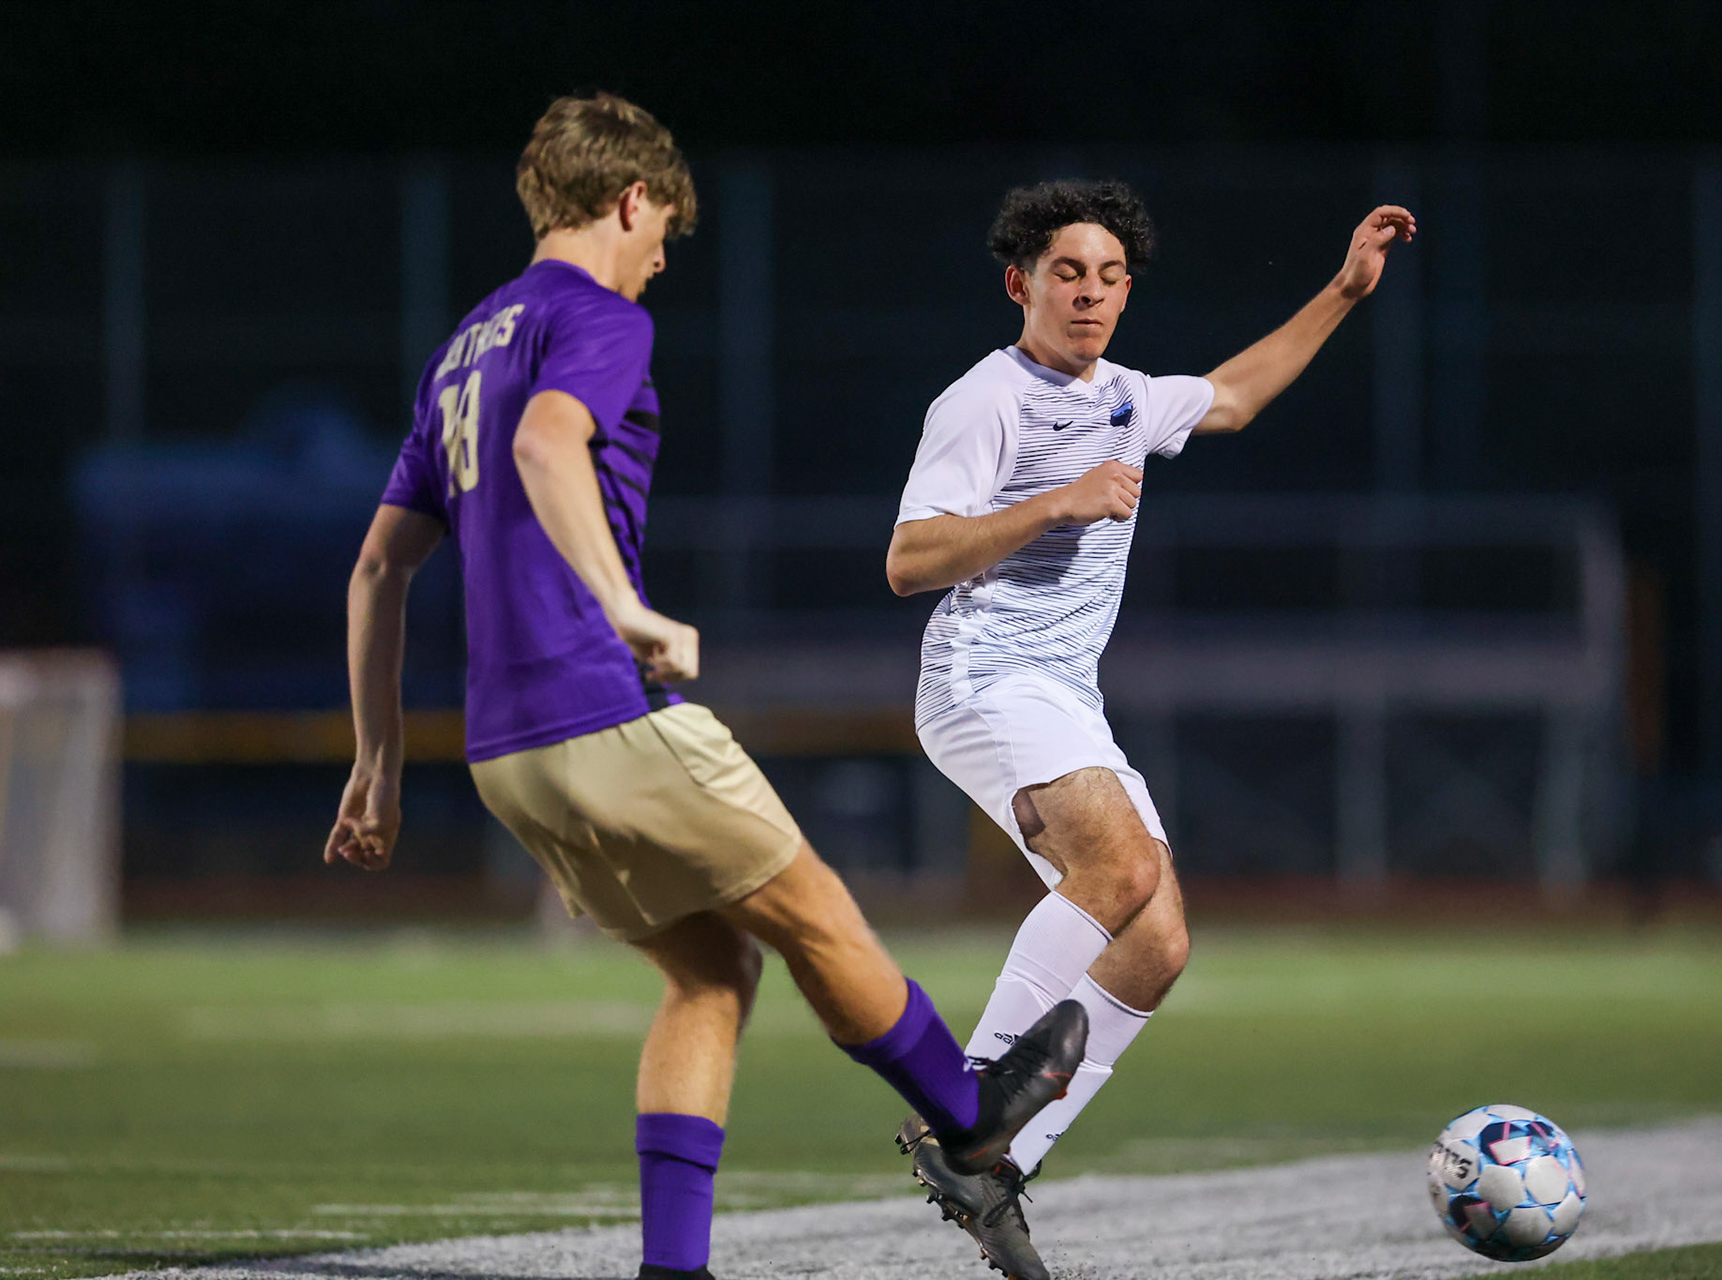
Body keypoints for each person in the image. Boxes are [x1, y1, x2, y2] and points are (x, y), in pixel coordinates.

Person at [324, 92, 1086, 1280]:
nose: (663, 256)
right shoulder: (596, 314)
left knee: (709, 969)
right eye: (664, 228)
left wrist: (375, 762)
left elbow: (379, 566)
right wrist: (625, 609)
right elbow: (546, 446)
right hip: (603, 710)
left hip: (503, 754)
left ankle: (672, 1270)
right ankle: (970, 1109)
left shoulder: (461, 349)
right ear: (630, 199)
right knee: (817, 914)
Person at [885, 179, 1413, 1279]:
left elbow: (1231, 396)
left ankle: (999, 1154)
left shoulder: (1128, 394)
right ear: (1018, 282)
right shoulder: (986, 399)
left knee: (1158, 940)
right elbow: (909, 559)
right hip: (983, 673)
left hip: (1065, 692)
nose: (1091, 292)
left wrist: (1344, 290)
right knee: (1120, 866)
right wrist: (1055, 503)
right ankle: (965, 1108)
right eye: (1068, 272)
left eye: (1111, 275)